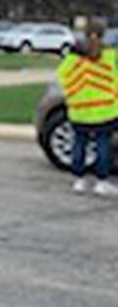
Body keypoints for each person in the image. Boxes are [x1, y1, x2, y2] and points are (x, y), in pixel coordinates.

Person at [58, 23, 117, 196]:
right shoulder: (110, 55)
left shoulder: (73, 58)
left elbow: (62, 76)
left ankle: (79, 181)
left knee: (79, 144)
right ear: (103, 35)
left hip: (80, 110)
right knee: (103, 146)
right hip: (104, 110)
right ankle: (101, 182)